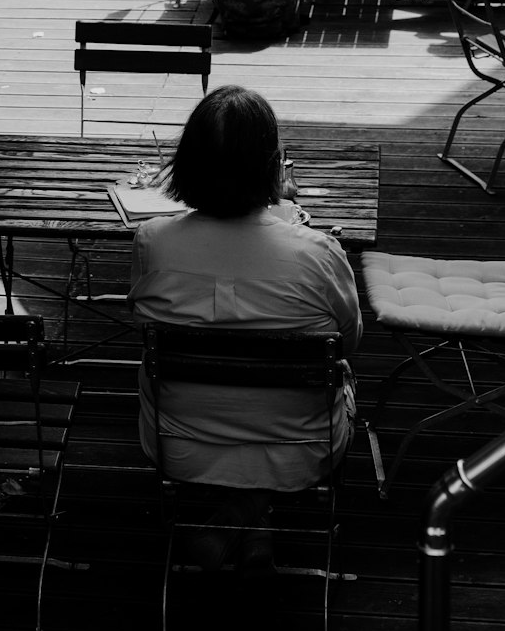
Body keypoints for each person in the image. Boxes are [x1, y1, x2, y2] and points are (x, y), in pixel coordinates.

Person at [128, 85, 362, 573]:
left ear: (186, 162)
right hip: (303, 448)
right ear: (272, 164)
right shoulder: (317, 254)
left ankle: (236, 521)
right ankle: (249, 520)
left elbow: (142, 326)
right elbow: (350, 343)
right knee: (329, 375)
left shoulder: (153, 242)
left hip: (181, 441)